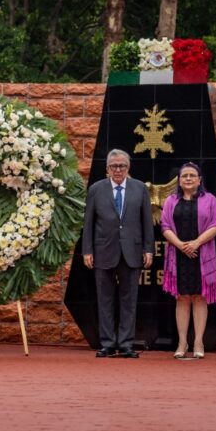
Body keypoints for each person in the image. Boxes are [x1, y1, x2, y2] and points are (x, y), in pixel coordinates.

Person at [82, 149, 154, 359]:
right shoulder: (96, 189)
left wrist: (148, 249)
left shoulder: (140, 189)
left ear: (128, 167)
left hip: (131, 251)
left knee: (129, 299)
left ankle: (125, 343)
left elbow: (146, 222)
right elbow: (88, 223)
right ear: (107, 169)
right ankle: (107, 343)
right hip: (103, 250)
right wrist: (87, 250)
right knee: (104, 299)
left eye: (122, 166)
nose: (118, 170)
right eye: (114, 166)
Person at [160, 162, 216, 360]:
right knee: (182, 297)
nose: (187, 178)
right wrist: (180, 245)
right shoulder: (170, 200)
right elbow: (165, 225)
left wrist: (195, 244)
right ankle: (182, 342)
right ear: (179, 179)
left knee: (199, 297)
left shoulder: (210, 200)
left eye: (192, 175)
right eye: (184, 175)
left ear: (199, 179)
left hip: (201, 255)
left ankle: (198, 342)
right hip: (178, 256)